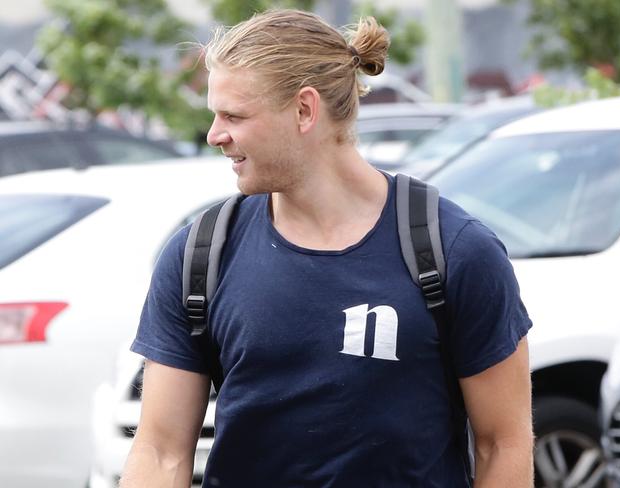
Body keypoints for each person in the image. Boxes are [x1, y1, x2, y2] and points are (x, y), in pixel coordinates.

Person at [120, 9, 534, 488]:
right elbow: (160, 451)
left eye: (234, 115)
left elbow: (503, 443)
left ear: (304, 110)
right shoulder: (200, 255)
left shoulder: (453, 251)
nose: (215, 134)